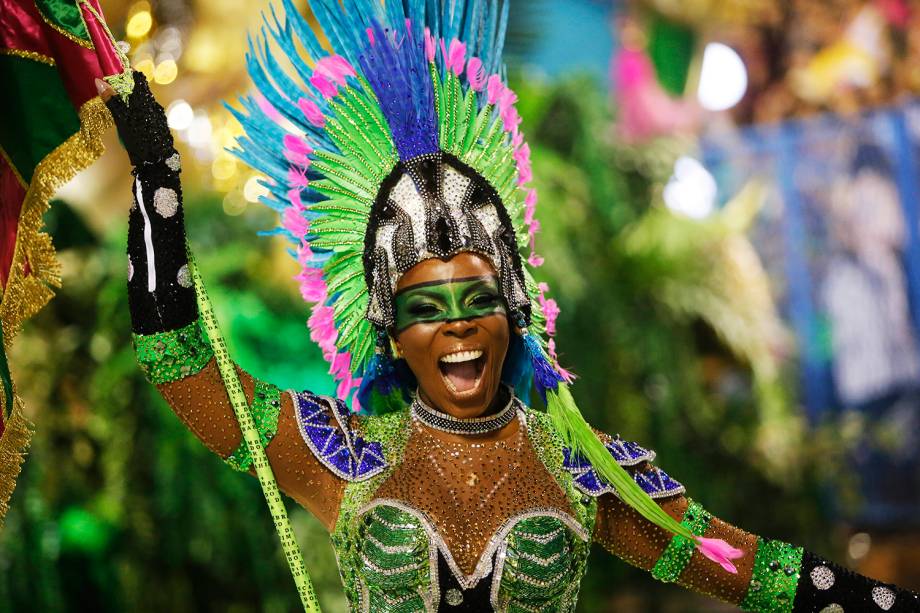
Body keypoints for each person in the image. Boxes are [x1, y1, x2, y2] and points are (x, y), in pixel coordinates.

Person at [100, 0, 920, 610]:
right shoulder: (335, 454)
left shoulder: (586, 472)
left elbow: (747, 567)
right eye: (426, 305)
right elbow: (180, 363)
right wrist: (157, 190)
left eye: (476, 297)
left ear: (514, 308)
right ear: (389, 328)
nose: (456, 321)